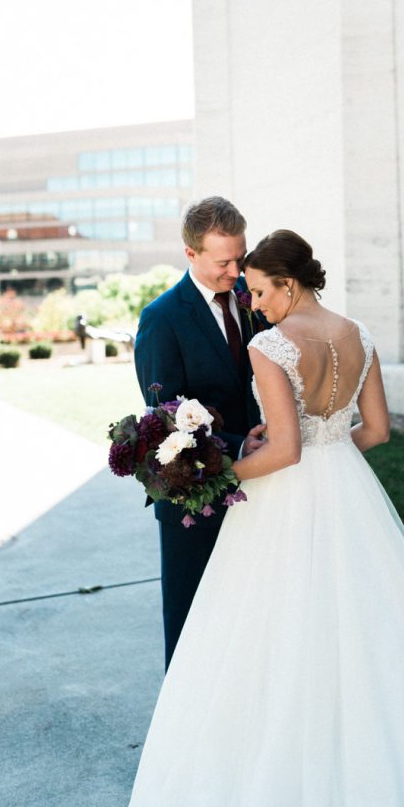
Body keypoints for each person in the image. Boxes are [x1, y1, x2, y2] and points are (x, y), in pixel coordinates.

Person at [127, 230, 404, 807]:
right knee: (365, 631)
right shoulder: (360, 333)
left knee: (279, 631)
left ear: (288, 282)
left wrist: (220, 480)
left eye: (258, 291)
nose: (254, 304)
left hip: (287, 501)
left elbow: (286, 452)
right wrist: (332, 451)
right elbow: (377, 431)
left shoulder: (272, 346)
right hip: (349, 490)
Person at [134, 196, 267, 669]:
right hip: (194, 496)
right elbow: (166, 417)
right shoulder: (162, 318)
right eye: (223, 261)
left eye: (240, 257)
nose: (236, 271)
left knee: (250, 619)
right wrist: (237, 445)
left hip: (261, 486)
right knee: (193, 624)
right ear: (191, 254)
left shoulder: (255, 301)